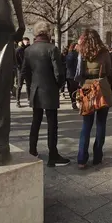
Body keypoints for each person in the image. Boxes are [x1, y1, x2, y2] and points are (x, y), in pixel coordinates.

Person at [21, 21, 70, 167]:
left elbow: (24, 71)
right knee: (52, 123)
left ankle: (32, 150)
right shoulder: (52, 49)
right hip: (49, 90)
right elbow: (59, 73)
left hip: (35, 90)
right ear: (48, 32)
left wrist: (32, 85)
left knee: (35, 121)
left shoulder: (28, 50)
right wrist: (58, 86)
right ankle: (53, 155)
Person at [75, 28, 112, 168]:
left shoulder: (81, 53)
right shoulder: (104, 52)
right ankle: (97, 156)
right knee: (101, 124)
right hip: (102, 87)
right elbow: (109, 70)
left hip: (87, 88)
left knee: (86, 125)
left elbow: (78, 73)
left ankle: (82, 159)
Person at [15, 37, 31, 108]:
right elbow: (15, 60)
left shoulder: (29, 49)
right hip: (21, 70)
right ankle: (17, 101)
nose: (28, 43)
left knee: (28, 85)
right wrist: (19, 67)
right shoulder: (18, 49)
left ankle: (29, 99)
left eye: (28, 42)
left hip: (27, 70)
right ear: (23, 41)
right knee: (19, 86)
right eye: (26, 42)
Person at [65, 43, 80, 110]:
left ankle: (74, 102)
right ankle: (74, 103)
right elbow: (69, 65)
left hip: (71, 75)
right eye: (77, 46)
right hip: (73, 75)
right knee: (74, 90)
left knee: (73, 90)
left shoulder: (72, 54)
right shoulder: (73, 54)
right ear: (74, 47)